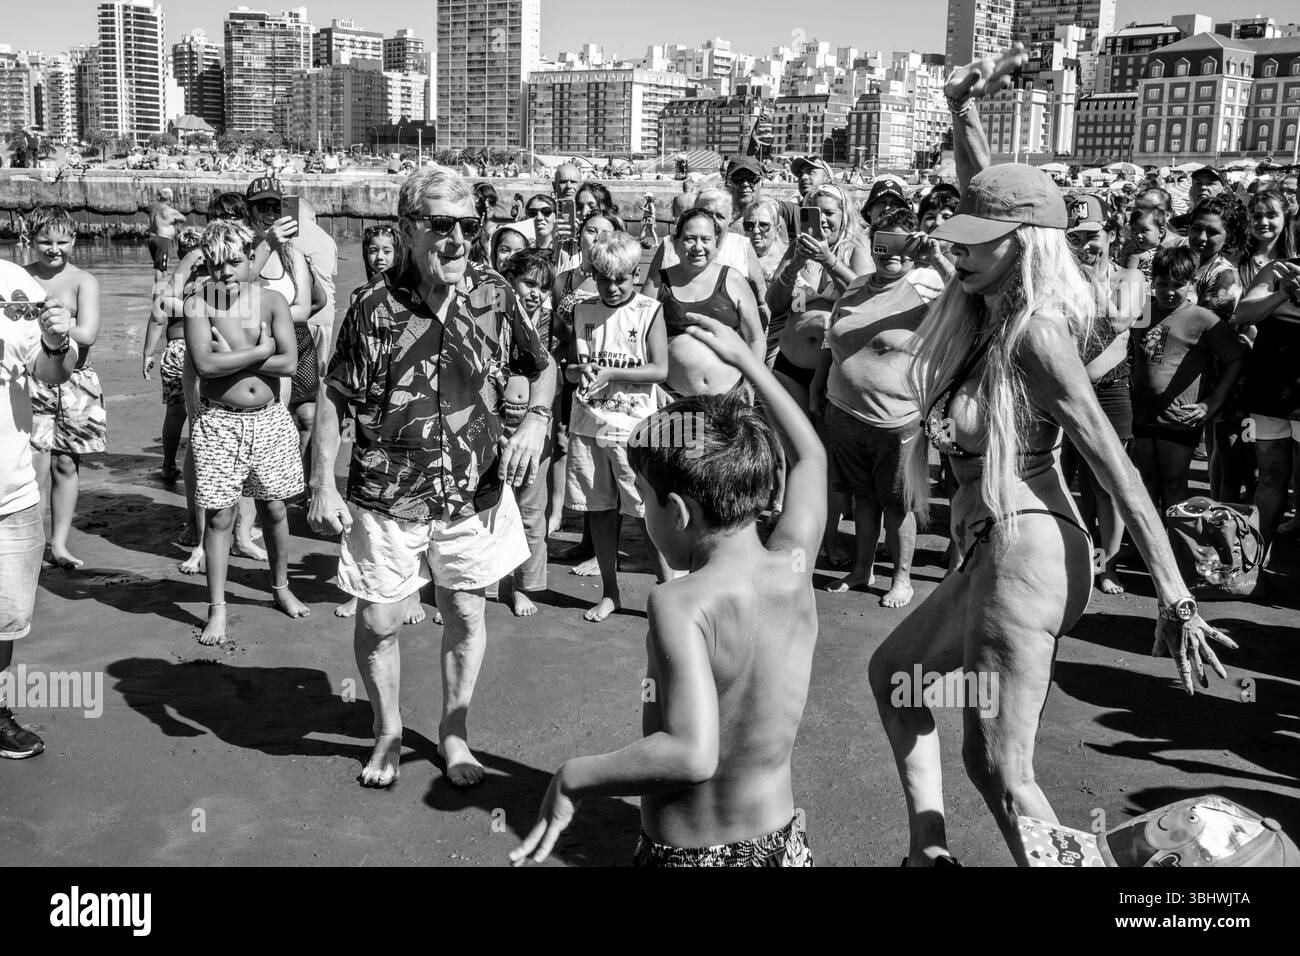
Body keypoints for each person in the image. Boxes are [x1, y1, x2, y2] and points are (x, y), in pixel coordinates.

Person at [870, 47, 1236, 868]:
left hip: (1027, 551)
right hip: (987, 549)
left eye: (980, 241)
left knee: (1005, 769)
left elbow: (1114, 463)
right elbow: (987, 194)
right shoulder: (988, 298)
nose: (958, 248)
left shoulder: (1036, 333)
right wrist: (962, 108)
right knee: (897, 675)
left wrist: (1172, 598)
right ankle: (929, 850)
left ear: (1025, 247)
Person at [510, 316, 825, 868]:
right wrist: (751, 364)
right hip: (781, 844)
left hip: (693, 856)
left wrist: (573, 777)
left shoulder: (681, 601)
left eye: (647, 503)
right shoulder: (793, 564)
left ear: (676, 511)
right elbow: (811, 458)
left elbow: (690, 753)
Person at [308, 168, 555, 789]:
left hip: (474, 491)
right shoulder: (371, 307)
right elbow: (334, 397)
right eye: (441, 226)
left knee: (466, 613)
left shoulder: (493, 291)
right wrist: (322, 483)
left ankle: (453, 732)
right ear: (406, 228)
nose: (457, 241)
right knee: (380, 621)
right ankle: (388, 730)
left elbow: (542, 367)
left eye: (468, 227)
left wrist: (535, 423)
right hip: (387, 492)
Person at [812, 207, 949, 606]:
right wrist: (819, 387)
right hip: (844, 413)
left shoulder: (926, 290)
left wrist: (937, 258)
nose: (891, 253)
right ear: (872, 244)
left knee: (898, 504)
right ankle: (861, 569)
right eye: (882, 244)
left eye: (901, 245)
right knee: (862, 498)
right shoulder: (854, 286)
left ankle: (901, 578)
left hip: (897, 421)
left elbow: (971, 301)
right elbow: (830, 339)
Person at [185, 220, 306, 646]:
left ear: (250, 258)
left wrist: (231, 356)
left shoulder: (270, 300)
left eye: (235, 262)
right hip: (220, 421)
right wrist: (258, 351)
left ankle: (280, 587)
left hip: (269, 419)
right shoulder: (199, 304)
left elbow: (289, 362)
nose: (226, 273)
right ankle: (217, 608)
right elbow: (204, 366)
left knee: (274, 509)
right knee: (220, 517)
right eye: (216, 266)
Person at [565, 232, 670, 622]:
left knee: (645, 512)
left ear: (634, 273)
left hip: (633, 428)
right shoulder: (581, 309)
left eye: (620, 279)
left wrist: (610, 372)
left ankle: (668, 590)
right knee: (600, 510)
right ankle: (610, 592)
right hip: (589, 424)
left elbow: (660, 369)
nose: (611, 287)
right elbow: (572, 367)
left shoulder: (649, 310)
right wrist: (581, 371)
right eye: (603, 278)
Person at [0, 260, 77, 760]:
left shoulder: (14, 284)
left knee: (5, 621)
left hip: (11, 492)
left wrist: (55, 343)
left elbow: (52, 374)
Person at [1062, 194, 1144, 593]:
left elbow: (1118, 321)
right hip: (1064, 391)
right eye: (1074, 238)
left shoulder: (1130, 279)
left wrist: (1093, 279)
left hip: (1110, 391)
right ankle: (1068, 556)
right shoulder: (1059, 280)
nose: (1085, 246)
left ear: (1111, 234)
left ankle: (1107, 565)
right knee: (1061, 480)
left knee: (1107, 486)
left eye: (1092, 235)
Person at [1131, 246, 1247, 513]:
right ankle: (1149, 549)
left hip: (1179, 418)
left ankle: (1178, 548)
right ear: (1153, 282)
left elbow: (1235, 358)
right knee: (1146, 483)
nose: (1170, 291)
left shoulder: (1204, 319)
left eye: (1178, 285)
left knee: (1173, 485)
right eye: (1162, 284)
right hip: (1141, 415)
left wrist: (1211, 402)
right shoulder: (1143, 311)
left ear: (1192, 283)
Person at [23, 205, 104, 571]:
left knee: (66, 465)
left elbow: (88, 333)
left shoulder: (83, 280)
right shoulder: (20, 278)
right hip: (31, 380)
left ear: (74, 240)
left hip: (77, 381)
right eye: (45, 242)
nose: (54, 249)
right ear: (29, 240)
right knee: (35, 467)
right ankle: (32, 545)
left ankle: (59, 544)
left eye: (62, 241)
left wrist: (58, 324)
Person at [642, 208, 765, 400]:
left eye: (706, 239)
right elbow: (637, 343)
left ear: (716, 243)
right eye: (690, 238)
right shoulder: (657, 283)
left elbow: (756, 339)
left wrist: (749, 386)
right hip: (673, 399)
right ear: (676, 243)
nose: (698, 247)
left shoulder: (733, 279)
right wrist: (655, 387)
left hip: (731, 399)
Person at [766, 183, 872, 404]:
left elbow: (866, 299)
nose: (822, 220)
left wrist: (828, 261)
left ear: (844, 216)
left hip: (835, 368)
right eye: (814, 213)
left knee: (824, 437)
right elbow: (774, 303)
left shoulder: (856, 246)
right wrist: (794, 265)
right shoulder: (798, 246)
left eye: (829, 213)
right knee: (788, 437)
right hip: (788, 365)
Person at [498, 249, 558, 618]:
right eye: (528, 283)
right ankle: (484, 582)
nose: (535, 292)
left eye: (543, 287)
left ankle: (522, 586)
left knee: (530, 512)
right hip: (495, 419)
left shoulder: (555, 325)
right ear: (511, 282)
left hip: (539, 424)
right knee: (490, 507)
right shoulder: (494, 320)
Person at [1234, 251, 1300, 572]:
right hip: (1270, 391)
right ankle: (1253, 564)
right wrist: (1282, 294)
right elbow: (1243, 313)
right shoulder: (1279, 269)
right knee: (1270, 477)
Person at [245, 178, 315, 464]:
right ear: (250, 211)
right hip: (257, 343)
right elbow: (230, 292)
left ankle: (300, 483)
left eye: (276, 205)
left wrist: (270, 314)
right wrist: (267, 245)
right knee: (270, 419)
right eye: (263, 206)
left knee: (308, 417)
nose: (270, 213)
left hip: (297, 342)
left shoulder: (294, 255)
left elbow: (305, 307)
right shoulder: (240, 251)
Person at [775, 155, 833, 243]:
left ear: (827, 180)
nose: (803, 177)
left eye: (811, 172)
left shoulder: (841, 214)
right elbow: (769, 205)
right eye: (800, 174)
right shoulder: (793, 212)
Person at [741, 197, 788, 286]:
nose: (755, 231)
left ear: (777, 229)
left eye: (763, 225)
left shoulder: (788, 260)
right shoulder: (736, 257)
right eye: (749, 225)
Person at [147, 187, 187, 283]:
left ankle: (164, 287)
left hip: (151, 239)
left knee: (162, 266)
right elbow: (183, 218)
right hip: (162, 240)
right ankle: (158, 293)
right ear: (171, 199)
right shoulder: (170, 211)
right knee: (160, 268)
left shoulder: (152, 208)